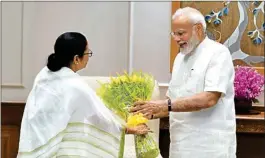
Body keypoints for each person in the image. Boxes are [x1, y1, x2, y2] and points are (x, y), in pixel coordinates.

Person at [17, 32, 150, 158]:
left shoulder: (43, 75)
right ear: (76, 58)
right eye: (87, 53)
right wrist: (128, 129)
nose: (88, 57)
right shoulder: (75, 86)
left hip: (33, 146)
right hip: (59, 151)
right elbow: (100, 117)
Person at [130, 7, 237, 158]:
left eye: (181, 33)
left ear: (198, 29)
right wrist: (148, 112)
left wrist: (162, 105)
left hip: (209, 147)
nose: (176, 38)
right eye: (174, 33)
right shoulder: (180, 58)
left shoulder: (218, 53)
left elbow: (209, 98)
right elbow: (173, 101)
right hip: (179, 146)